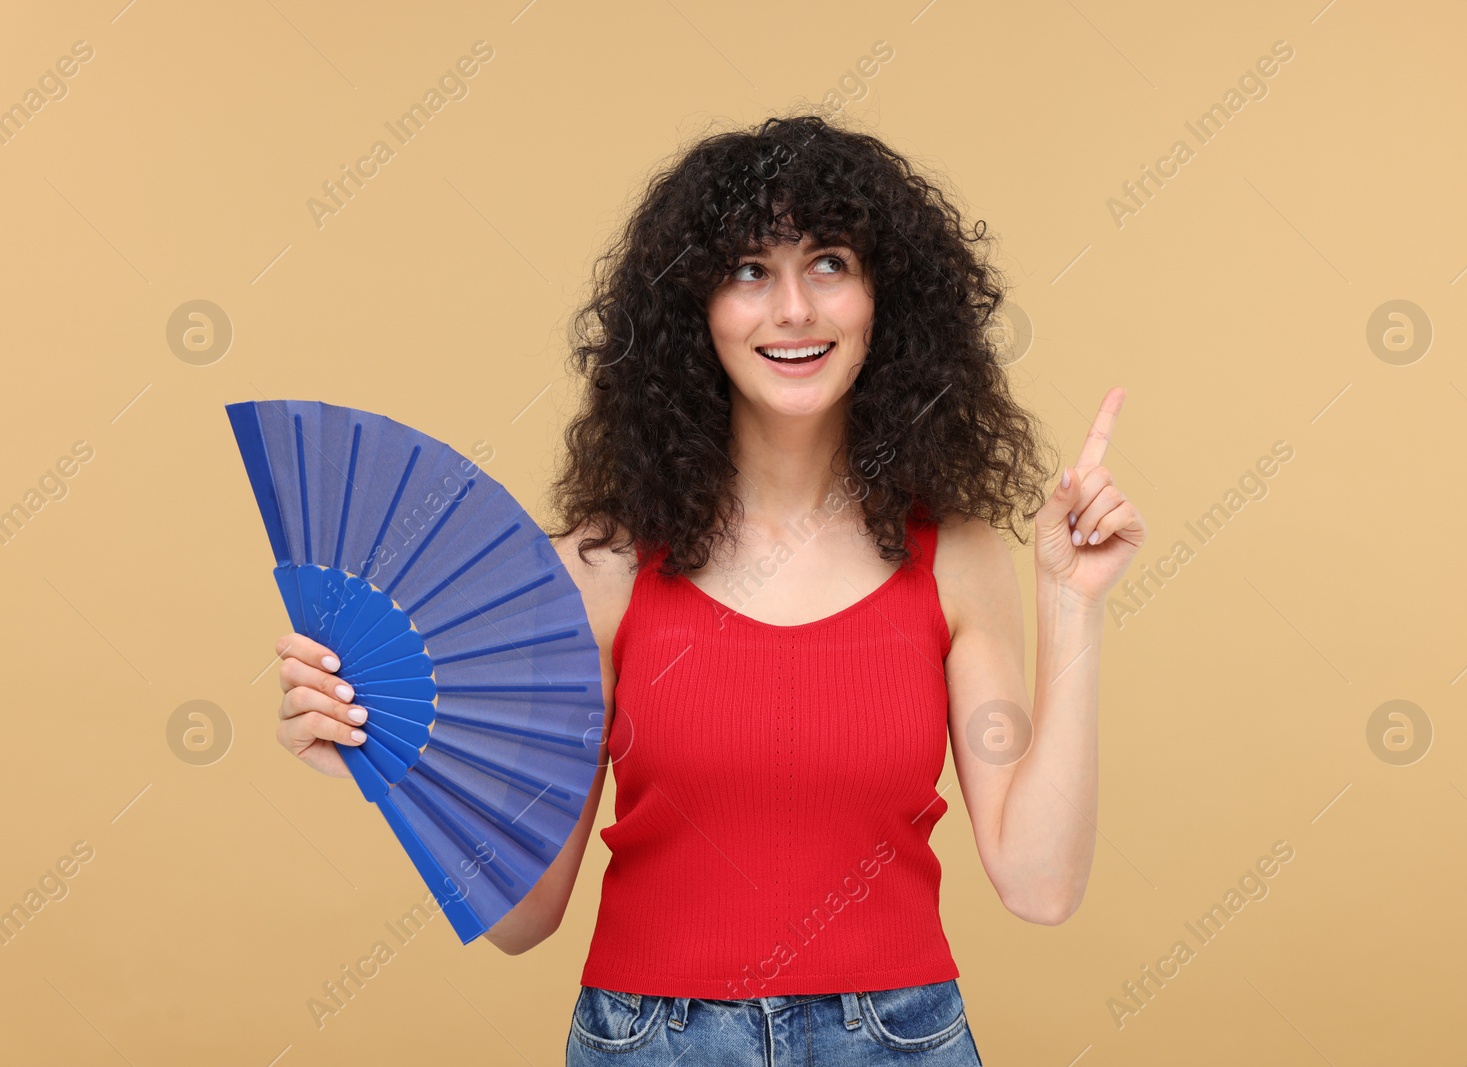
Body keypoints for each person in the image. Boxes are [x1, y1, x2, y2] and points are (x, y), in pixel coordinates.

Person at [269, 113, 1145, 1065]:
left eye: (830, 262)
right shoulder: (598, 572)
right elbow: (526, 919)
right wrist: (392, 762)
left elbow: (1040, 883)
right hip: (650, 1043)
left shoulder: (957, 560)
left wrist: (1072, 599)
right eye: (747, 271)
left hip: (897, 1041)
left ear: (885, 299)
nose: (794, 309)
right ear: (693, 310)